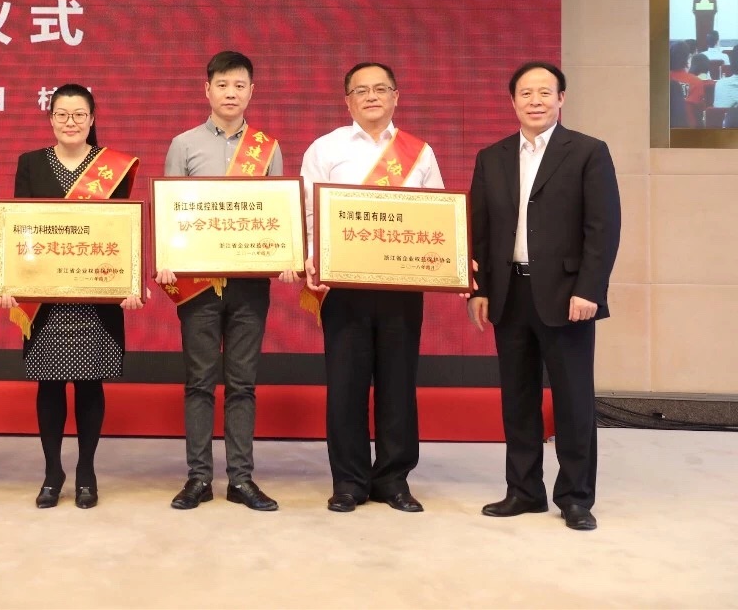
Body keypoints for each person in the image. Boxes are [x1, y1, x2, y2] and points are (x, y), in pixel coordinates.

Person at [468, 62, 621, 531]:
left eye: (544, 93)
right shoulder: (491, 157)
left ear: (561, 99)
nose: (535, 101)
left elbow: (603, 227)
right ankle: (524, 490)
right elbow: (479, 231)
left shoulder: (588, 152)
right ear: (512, 101)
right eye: (525, 93)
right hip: (509, 293)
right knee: (518, 399)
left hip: (567, 296)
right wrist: (479, 289)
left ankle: (575, 497)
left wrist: (589, 289)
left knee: (573, 401)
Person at [300, 62, 444, 514]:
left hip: (402, 285)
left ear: (396, 96)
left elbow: (438, 215)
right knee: (346, 385)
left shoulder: (420, 153)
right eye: (361, 91)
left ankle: (393, 480)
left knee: (398, 385)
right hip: (343, 286)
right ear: (347, 101)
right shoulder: (326, 148)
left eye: (381, 89)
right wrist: (311, 257)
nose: (372, 97)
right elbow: (308, 213)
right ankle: (349, 481)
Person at [159, 51, 298, 513]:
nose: (231, 93)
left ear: (251, 92)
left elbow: (276, 213)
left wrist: (285, 255)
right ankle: (198, 478)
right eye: (222, 85)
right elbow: (171, 211)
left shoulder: (267, 148)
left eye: (239, 85)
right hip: (198, 283)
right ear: (207, 90)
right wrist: (165, 258)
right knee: (199, 382)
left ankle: (241, 479)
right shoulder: (183, 145)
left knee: (242, 383)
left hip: (249, 284)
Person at [0, 84, 143, 509]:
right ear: (50, 119)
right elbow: (20, 228)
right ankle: (51, 472)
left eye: (79, 115)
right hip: (46, 297)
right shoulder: (30, 162)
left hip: (94, 294)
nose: (71, 122)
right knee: (49, 384)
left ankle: (86, 472)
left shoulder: (112, 166)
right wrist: (9, 280)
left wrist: (130, 280)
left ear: (92, 119)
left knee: (90, 383)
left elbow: (120, 231)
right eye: (62, 114)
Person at [669, 41, 706, 126]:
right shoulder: (696, 82)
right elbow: (699, 112)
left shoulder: (660, 81)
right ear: (688, 58)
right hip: (689, 129)